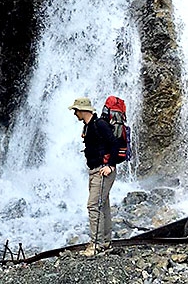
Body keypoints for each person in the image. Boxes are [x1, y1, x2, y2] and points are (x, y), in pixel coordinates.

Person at [69, 96, 118, 256]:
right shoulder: (89, 126)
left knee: (93, 206)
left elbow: (114, 144)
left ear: (83, 110)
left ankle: (96, 244)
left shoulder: (100, 124)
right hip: (95, 170)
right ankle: (105, 241)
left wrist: (110, 165)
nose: (75, 113)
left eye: (76, 110)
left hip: (103, 171)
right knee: (102, 205)